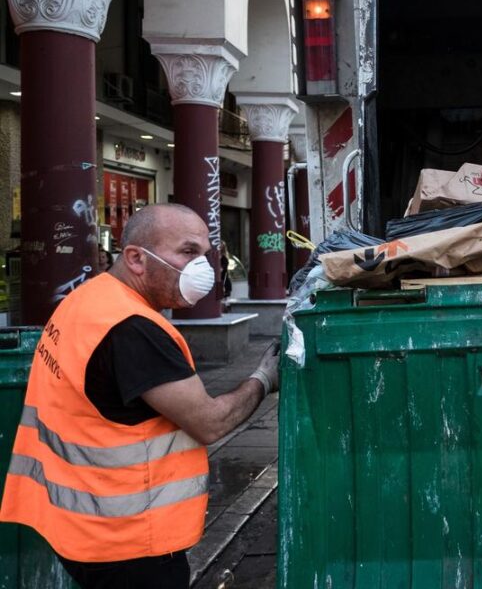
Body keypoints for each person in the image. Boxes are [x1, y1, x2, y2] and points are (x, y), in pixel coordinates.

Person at [0, 204, 280, 589]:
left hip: (80, 527)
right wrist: (263, 378)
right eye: (188, 252)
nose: (204, 267)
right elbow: (210, 421)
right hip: (129, 541)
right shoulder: (132, 328)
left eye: (206, 253)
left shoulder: (86, 301)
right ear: (135, 258)